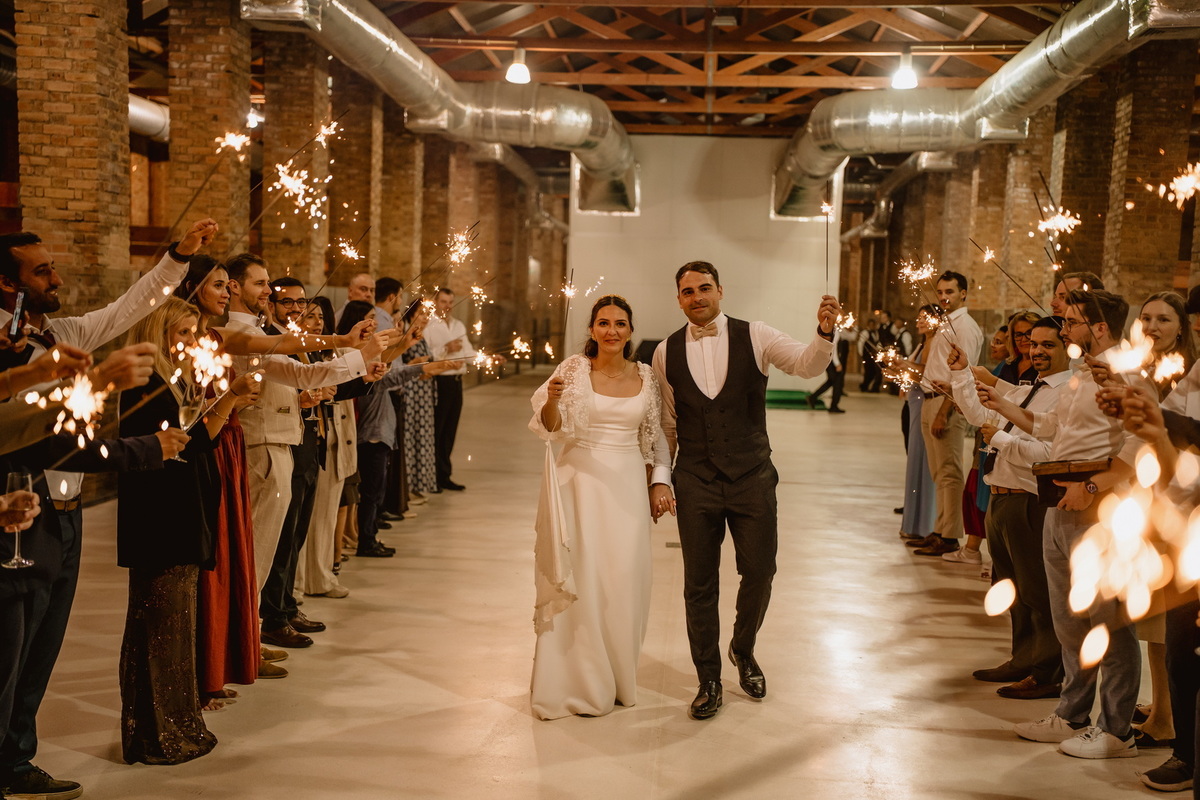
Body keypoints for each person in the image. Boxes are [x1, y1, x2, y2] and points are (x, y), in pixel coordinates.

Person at [0, 219, 216, 797]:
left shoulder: (61, 331)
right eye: (42, 271)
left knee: (41, 647)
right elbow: (34, 433)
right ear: (8, 285)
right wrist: (118, 411)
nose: (56, 278)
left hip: (64, 509)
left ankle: (16, 757)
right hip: (18, 509)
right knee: (9, 649)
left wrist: (177, 257)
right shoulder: (5, 347)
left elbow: (128, 308)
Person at [652, 261, 836, 720]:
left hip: (752, 476)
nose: (697, 297)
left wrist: (824, 332)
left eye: (705, 288)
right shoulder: (665, 352)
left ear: (720, 290)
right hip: (695, 480)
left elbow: (806, 365)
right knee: (699, 584)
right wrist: (661, 478)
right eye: (688, 291)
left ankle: (743, 647)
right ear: (678, 299)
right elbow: (667, 426)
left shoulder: (757, 335)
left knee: (760, 571)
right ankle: (708, 678)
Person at [981, 288, 1140, 759]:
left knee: (1109, 623)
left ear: (1100, 327)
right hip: (1058, 502)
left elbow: (1138, 443)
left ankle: (1118, 731)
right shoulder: (1081, 374)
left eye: (1070, 322)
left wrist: (1091, 486)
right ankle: (1072, 714)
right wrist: (1003, 405)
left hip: (1099, 507)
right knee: (1069, 620)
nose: (1062, 327)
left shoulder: (1126, 373)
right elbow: (1056, 429)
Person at [529, 295, 671, 719]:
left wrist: (659, 482)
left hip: (626, 486)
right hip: (579, 484)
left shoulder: (646, 376)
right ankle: (577, 679)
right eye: (604, 323)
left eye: (620, 323)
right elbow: (550, 428)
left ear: (630, 330)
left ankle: (620, 677)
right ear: (592, 329)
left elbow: (656, 436)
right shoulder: (572, 370)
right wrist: (552, 399)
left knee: (623, 579)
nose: (612, 330)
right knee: (584, 577)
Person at [117, 297, 224, 765]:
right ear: (156, 334)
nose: (191, 341)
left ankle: (174, 725)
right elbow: (177, 447)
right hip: (159, 517)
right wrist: (229, 401)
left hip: (178, 512)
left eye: (194, 332)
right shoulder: (146, 386)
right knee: (159, 629)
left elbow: (191, 443)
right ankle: (157, 735)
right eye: (183, 332)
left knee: (174, 627)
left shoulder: (174, 382)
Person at [950, 316, 1070, 698]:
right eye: (1033, 344)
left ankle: (1047, 673)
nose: (1037, 351)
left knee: (1037, 592)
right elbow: (980, 415)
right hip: (1001, 499)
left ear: (1068, 348)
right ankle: (1022, 658)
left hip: (1029, 501)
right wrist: (960, 374)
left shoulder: (1066, 394)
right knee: (1012, 590)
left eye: (1048, 345)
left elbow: (1050, 454)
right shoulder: (1027, 389)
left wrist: (1001, 440)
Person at [912, 270, 984, 558]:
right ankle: (940, 529)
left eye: (950, 292)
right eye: (940, 292)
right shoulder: (945, 323)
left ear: (963, 294)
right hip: (930, 399)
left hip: (946, 404)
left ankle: (950, 535)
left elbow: (963, 373)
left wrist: (943, 412)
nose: (943, 297)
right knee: (938, 472)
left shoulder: (964, 327)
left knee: (950, 473)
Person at [423, 287, 478, 492]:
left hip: (456, 381)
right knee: (437, 429)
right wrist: (447, 349)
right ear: (435, 303)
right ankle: (432, 477)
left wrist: (487, 359)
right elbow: (425, 355)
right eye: (443, 302)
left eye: (450, 302)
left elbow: (468, 352)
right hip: (440, 381)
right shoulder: (428, 325)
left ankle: (444, 474)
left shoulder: (458, 325)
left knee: (450, 431)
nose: (448, 306)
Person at [898, 306, 941, 543]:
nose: (920, 322)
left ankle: (923, 523)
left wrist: (903, 366)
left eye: (925, 318)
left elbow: (925, 375)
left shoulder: (934, 344)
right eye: (919, 318)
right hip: (913, 403)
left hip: (922, 402)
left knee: (922, 460)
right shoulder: (923, 344)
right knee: (914, 458)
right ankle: (913, 519)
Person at [807, 318, 849, 413]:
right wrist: (837, 363)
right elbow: (833, 348)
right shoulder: (834, 330)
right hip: (832, 361)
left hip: (828, 360)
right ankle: (833, 406)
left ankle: (813, 397)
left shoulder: (833, 329)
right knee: (837, 383)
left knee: (831, 381)